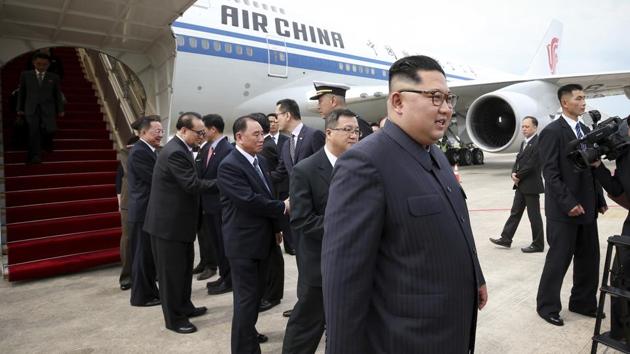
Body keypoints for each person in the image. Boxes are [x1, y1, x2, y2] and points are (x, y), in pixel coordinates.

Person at [321, 55, 487, 353]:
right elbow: (344, 281)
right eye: (435, 97)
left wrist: (476, 275)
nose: (447, 108)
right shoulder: (364, 164)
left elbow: (456, 221)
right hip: (408, 338)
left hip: (450, 329)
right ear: (398, 102)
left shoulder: (434, 154)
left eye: (448, 98)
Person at [283, 108, 359, 353]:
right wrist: (347, 228)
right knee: (307, 325)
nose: (354, 135)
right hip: (320, 265)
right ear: (329, 132)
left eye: (356, 131)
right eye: (347, 130)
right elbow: (302, 220)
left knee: (345, 327)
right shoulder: (305, 170)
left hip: (356, 263)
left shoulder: (360, 166)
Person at [535, 84, 608, 327]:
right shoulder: (552, 132)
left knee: (589, 259)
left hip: (587, 208)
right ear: (565, 103)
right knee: (558, 260)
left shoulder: (585, 130)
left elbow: (592, 168)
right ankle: (547, 307)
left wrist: (599, 199)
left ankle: (583, 302)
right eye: (579, 98)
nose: (583, 102)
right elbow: (551, 173)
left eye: (584, 98)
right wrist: (569, 203)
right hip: (565, 211)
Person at [218, 116, 289, 353]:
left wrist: (276, 228)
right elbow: (249, 201)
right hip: (244, 245)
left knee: (254, 297)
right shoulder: (230, 165)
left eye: (263, 134)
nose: (262, 138)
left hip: (262, 239)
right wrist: (283, 207)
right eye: (256, 134)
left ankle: (248, 334)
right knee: (246, 300)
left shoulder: (260, 161)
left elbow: (267, 193)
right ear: (239, 137)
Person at [143, 112, 216, 334]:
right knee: (171, 276)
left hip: (180, 225)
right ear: (183, 130)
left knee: (183, 272)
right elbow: (191, 184)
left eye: (203, 132)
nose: (202, 136)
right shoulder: (175, 151)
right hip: (168, 227)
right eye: (199, 132)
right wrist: (225, 182)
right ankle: (174, 319)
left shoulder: (182, 148)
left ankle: (185, 306)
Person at [271, 98, 325, 318]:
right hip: (298, 211)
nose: (275, 119)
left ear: (287, 115)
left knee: (315, 262)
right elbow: (282, 173)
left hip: (315, 211)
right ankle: (304, 306)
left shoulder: (314, 136)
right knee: (302, 260)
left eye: (277, 115)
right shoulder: (286, 144)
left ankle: (320, 309)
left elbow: (324, 168)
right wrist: (254, 176)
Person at [592, 119, 630, 339]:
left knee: (621, 277)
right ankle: (620, 331)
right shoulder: (625, 155)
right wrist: (599, 168)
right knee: (620, 278)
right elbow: (617, 188)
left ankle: (621, 332)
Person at [489, 116, 545, 253]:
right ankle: (506, 238)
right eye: (523, 127)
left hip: (531, 185)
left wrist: (518, 176)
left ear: (535, 127)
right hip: (521, 185)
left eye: (527, 127)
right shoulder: (523, 143)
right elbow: (518, 160)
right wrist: (513, 173)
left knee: (534, 217)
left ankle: (538, 244)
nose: (524, 129)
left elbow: (532, 165)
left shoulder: (538, 143)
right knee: (515, 213)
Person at [126, 116, 163, 307]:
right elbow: (154, 178)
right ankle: (141, 297)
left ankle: (150, 292)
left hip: (146, 211)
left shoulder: (149, 150)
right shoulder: (140, 152)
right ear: (143, 133)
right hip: (142, 212)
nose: (160, 135)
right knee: (141, 257)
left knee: (147, 256)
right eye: (156, 132)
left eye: (161, 131)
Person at [251, 113, 284, 313]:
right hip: (268, 210)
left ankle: (273, 294)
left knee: (273, 257)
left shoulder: (266, 150)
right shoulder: (260, 154)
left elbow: (271, 184)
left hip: (269, 208)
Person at [198, 114, 234, 289]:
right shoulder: (208, 149)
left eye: (203, 129)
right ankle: (223, 275)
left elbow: (224, 180)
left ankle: (229, 279)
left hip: (221, 206)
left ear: (213, 129)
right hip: (210, 207)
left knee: (224, 244)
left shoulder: (226, 149)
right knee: (217, 244)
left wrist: (200, 184)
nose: (201, 132)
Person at [16, 52, 65, 164]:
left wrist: (61, 109)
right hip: (31, 109)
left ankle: (45, 144)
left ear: (48, 64)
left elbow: (57, 94)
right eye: (39, 64)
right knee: (34, 132)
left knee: (50, 129)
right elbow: (22, 93)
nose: (41, 67)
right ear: (34, 63)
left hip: (48, 109)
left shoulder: (54, 77)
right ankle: (34, 156)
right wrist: (20, 108)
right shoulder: (25, 75)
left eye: (44, 64)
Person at [266, 112, 293, 255]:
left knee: (287, 216)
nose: (273, 124)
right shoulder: (262, 141)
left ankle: (290, 245)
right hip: (270, 183)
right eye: (270, 121)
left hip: (285, 183)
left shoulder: (287, 140)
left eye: (275, 121)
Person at [116, 135, 140, 291]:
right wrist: (120, 205)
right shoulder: (124, 160)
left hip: (146, 204)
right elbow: (118, 184)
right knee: (128, 240)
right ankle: (127, 276)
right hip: (128, 205)